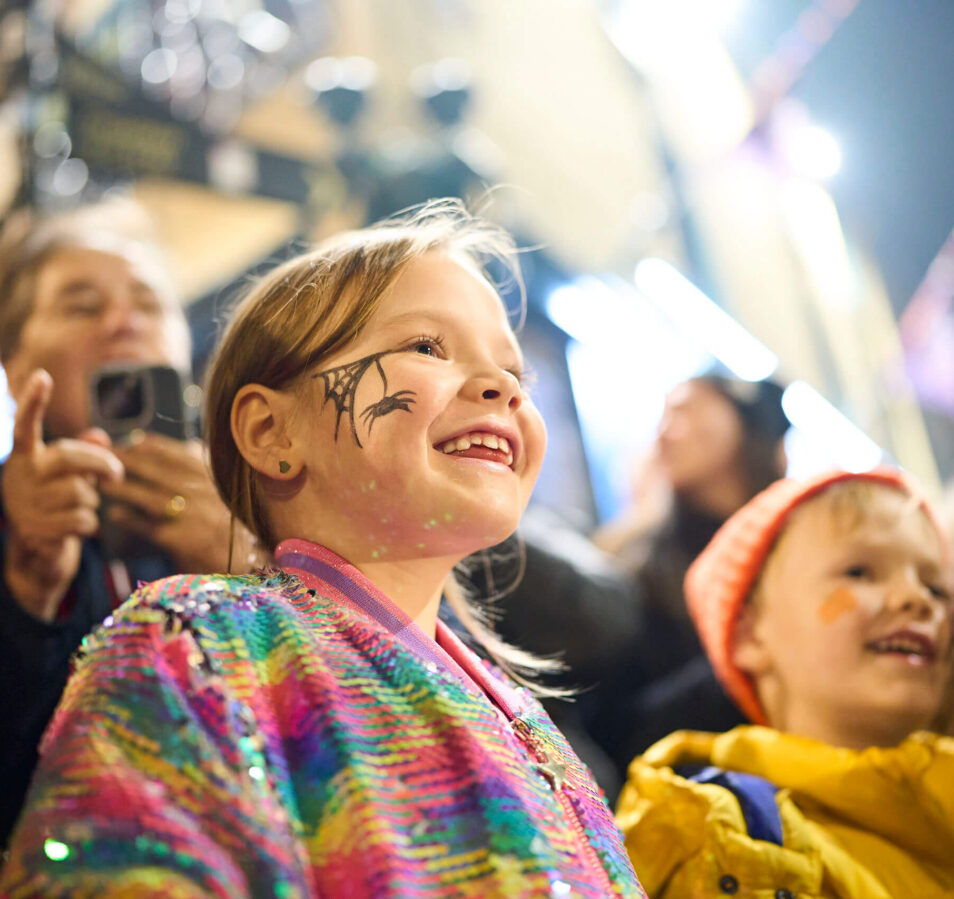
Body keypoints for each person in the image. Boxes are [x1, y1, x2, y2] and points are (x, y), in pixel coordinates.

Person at [0, 200, 645, 897]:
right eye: (426, 347)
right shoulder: (184, 639)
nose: (503, 387)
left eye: (517, 371)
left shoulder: (520, 711)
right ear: (271, 432)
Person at [0, 199, 262, 847]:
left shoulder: (267, 500)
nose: (124, 322)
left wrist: (252, 571)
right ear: (14, 361)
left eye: (149, 303)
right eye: (82, 306)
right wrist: (27, 592)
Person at [616, 467, 954, 898]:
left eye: (936, 588)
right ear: (750, 634)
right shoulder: (727, 840)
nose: (917, 599)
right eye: (859, 572)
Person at [584, 373, 789, 779]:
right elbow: (613, 728)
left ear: (742, 421)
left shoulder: (794, 547)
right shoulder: (631, 559)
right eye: (662, 416)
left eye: (682, 411)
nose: (663, 434)